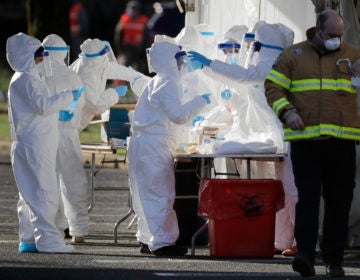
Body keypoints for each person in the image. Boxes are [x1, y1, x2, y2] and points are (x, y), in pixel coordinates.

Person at [188, 22, 298, 256]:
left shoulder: (270, 64)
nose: (249, 50)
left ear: (263, 47)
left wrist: (209, 64)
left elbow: (246, 77)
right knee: (278, 192)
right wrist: (209, 68)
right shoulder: (264, 63)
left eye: (253, 46)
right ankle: (281, 240)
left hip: (285, 137)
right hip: (272, 137)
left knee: (292, 191)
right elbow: (242, 81)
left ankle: (303, 241)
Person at [264, 9, 360, 277]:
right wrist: (287, 111)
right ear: (318, 31)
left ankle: (334, 260)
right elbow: (273, 87)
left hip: (342, 141)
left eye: (340, 36)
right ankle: (305, 255)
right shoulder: (293, 56)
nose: (336, 41)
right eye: (332, 35)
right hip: (305, 141)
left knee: (339, 201)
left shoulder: (353, 54)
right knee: (307, 199)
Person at [127, 41, 211, 256]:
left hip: (143, 144)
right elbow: (179, 115)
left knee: (145, 194)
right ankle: (163, 243)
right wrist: (201, 101)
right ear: (169, 60)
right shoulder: (167, 83)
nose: (182, 63)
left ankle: (148, 239)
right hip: (153, 145)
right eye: (179, 59)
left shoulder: (157, 81)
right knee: (160, 193)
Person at [6, 32, 82, 253]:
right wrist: (70, 96)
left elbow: (35, 112)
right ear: (26, 56)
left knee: (29, 193)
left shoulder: (24, 78)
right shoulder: (26, 79)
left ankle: (29, 238)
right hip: (36, 145)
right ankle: (49, 241)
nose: (42, 58)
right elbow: (43, 106)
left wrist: (60, 113)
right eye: (38, 54)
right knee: (44, 191)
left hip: (30, 142)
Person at [42, 34, 89, 244]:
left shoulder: (37, 75)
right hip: (68, 133)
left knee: (46, 181)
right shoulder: (72, 76)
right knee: (72, 181)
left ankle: (54, 226)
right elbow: (80, 107)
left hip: (44, 134)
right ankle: (78, 229)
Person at [70, 38, 144, 131]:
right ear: (99, 56)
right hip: (72, 121)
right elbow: (95, 105)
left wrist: (133, 75)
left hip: (74, 120)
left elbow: (111, 68)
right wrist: (115, 93)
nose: (106, 57)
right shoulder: (87, 74)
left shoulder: (90, 62)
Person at [113, 0, 149, 73]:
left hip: (140, 50)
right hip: (127, 49)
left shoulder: (143, 21)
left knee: (141, 68)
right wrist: (120, 51)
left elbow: (147, 37)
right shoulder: (123, 20)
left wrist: (145, 51)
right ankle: (123, 83)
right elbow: (118, 37)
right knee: (123, 66)